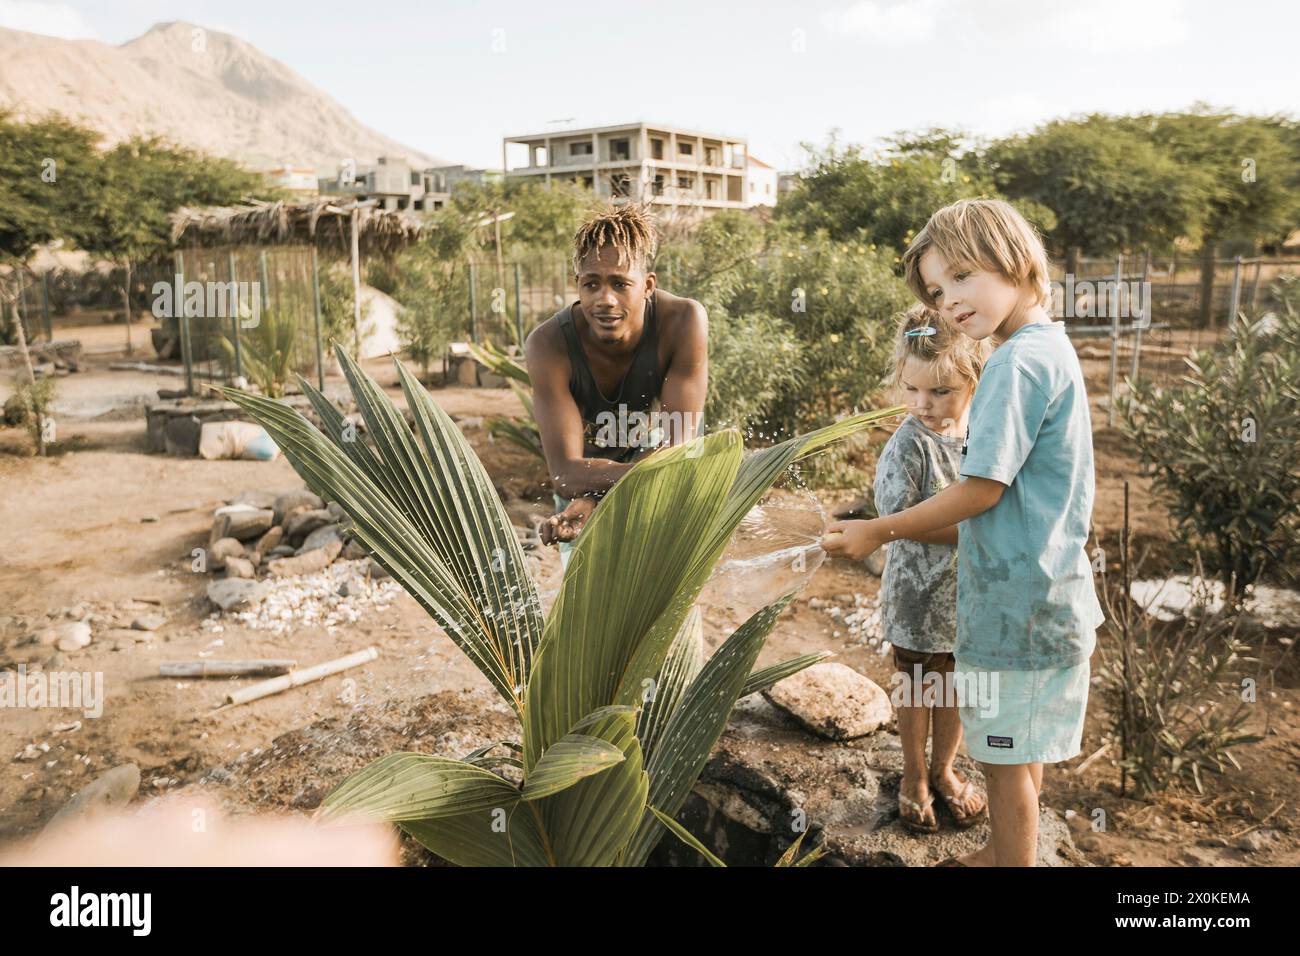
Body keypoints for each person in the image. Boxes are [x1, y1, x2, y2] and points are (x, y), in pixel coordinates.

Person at [821, 199, 1104, 866]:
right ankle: (1009, 850)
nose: (949, 302)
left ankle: (1012, 861)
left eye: (961, 277)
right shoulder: (1049, 346)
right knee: (1021, 745)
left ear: (1013, 259)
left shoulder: (1011, 364)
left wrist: (878, 531)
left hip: (1018, 609)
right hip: (1049, 594)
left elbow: (982, 489)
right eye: (938, 290)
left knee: (1004, 761)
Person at [525, 203, 708, 568]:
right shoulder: (548, 344)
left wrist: (600, 495)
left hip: (649, 458)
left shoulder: (682, 322)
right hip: (584, 482)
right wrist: (591, 497)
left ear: (648, 286)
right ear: (577, 284)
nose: (604, 300)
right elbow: (565, 473)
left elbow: (674, 455)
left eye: (620, 284)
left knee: (664, 598)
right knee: (589, 608)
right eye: (591, 283)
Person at [873, 303, 990, 833]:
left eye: (941, 391)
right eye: (912, 389)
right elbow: (898, 521)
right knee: (918, 685)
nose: (924, 403)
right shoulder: (907, 445)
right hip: (917, 597)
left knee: (956, 687)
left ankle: (944, 769)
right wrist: (979, 529)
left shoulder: (982, 437)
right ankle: (914, 775)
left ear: (973, 378)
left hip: (966, 596)